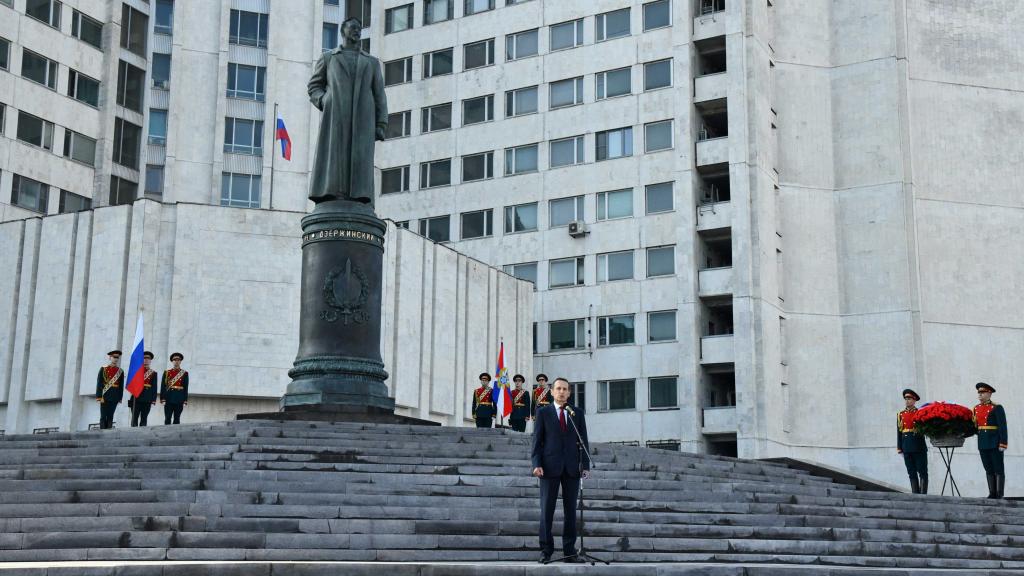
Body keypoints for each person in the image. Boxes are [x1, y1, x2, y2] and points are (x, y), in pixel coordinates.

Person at [531, 377, 590, 564]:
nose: (562, 392)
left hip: (572, 469)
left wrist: (585, 465)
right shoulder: (543, 412)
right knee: (546, 511)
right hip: (548, 468)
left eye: (565, 389)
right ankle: (546, 550)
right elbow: (537, 441)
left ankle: (569, 551)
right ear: (552, 391)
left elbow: (583, 440)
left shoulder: (576, 413)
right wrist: (536, 464)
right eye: (558, 388)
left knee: (570, 512)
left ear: (569, 392)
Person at [973, 382, 1008, 499]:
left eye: (982, 392)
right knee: (988, 468)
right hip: (982, 442)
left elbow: (1002, 427)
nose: (980, 395)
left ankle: (999, 493)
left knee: (998, 468)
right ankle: (992, 493)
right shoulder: (976, 408)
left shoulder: (996, 408)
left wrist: (1003, 443)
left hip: (994, 442)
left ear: (989, 393)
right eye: (979, 393)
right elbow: (974, 427)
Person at [896, 388, 928, 494]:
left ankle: (923, 495)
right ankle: (915, 494)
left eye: (909, 399)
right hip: (906, 447)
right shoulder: (901, 414)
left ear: (914, 400)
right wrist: (899, 447)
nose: (907, 401)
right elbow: (899, 432)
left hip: (918, 446)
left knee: (922, 471)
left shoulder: (920, 413)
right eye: (906, 399)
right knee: (911, 472)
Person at [128, 351, 158, 427]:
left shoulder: (153, 373)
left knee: (144, 419)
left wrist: (153, 399)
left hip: (147, 398)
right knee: (134, 419)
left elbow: (154, 387)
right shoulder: (136, 371)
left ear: (150, 360)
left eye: (148, 358)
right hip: (136, 397)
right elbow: (130, 382)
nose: (146, 360)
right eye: (144, 358)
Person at [95, 350, 124, 429]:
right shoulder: (103, 369)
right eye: (114, 357)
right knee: (103, 416)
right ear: (110, 357)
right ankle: (102, 433)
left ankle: (109, 432)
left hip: (114, 396)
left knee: (111, 416)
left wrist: (120, 398)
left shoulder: (120, 371)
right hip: (105, 396)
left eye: (117, 357)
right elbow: (99, 383)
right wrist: (99, 397)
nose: (116, 359)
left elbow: (121, 386)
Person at [161, 352, 189, 425]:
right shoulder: (167, 372)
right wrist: (163, 398)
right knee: (167, 418)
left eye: (178, 360)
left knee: (177, 418)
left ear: (180, 361)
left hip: (179, 398)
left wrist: (185, 400)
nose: (176, 361)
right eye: (175, 359)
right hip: (168, 398)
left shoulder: (184, 373)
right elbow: (163, 386)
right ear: (172, 361)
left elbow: (186, 387)